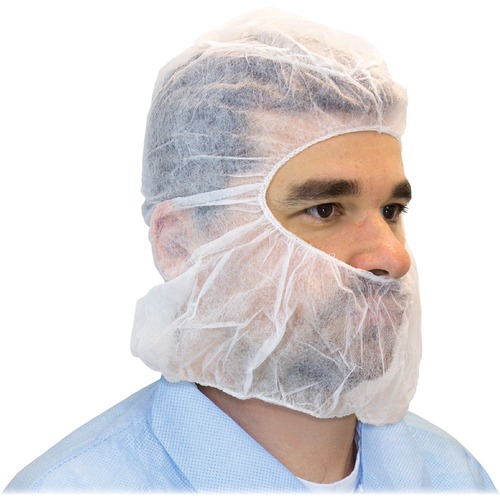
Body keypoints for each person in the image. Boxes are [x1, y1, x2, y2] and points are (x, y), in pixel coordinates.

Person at [4, 7, 496, 494]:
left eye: (391, 210)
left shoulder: (456, 479)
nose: (392, 256)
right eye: (324, 210)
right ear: (180, 243)